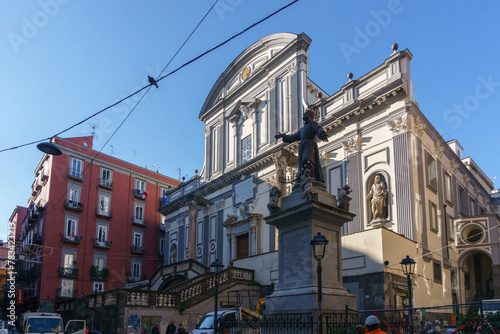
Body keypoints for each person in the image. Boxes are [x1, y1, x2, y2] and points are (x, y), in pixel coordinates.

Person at [275, 107, 328, 183]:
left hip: (310, 144)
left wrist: (323, 135)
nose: (304, 114)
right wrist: (283, 136)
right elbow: (292, 137)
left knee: (306, 160)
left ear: (310, 115)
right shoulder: (302, 129)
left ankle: (310, 176)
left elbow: (318, 129)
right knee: (301, 164)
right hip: (302, 146)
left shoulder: (313, 124)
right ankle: (302, 177)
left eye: (306, 113)